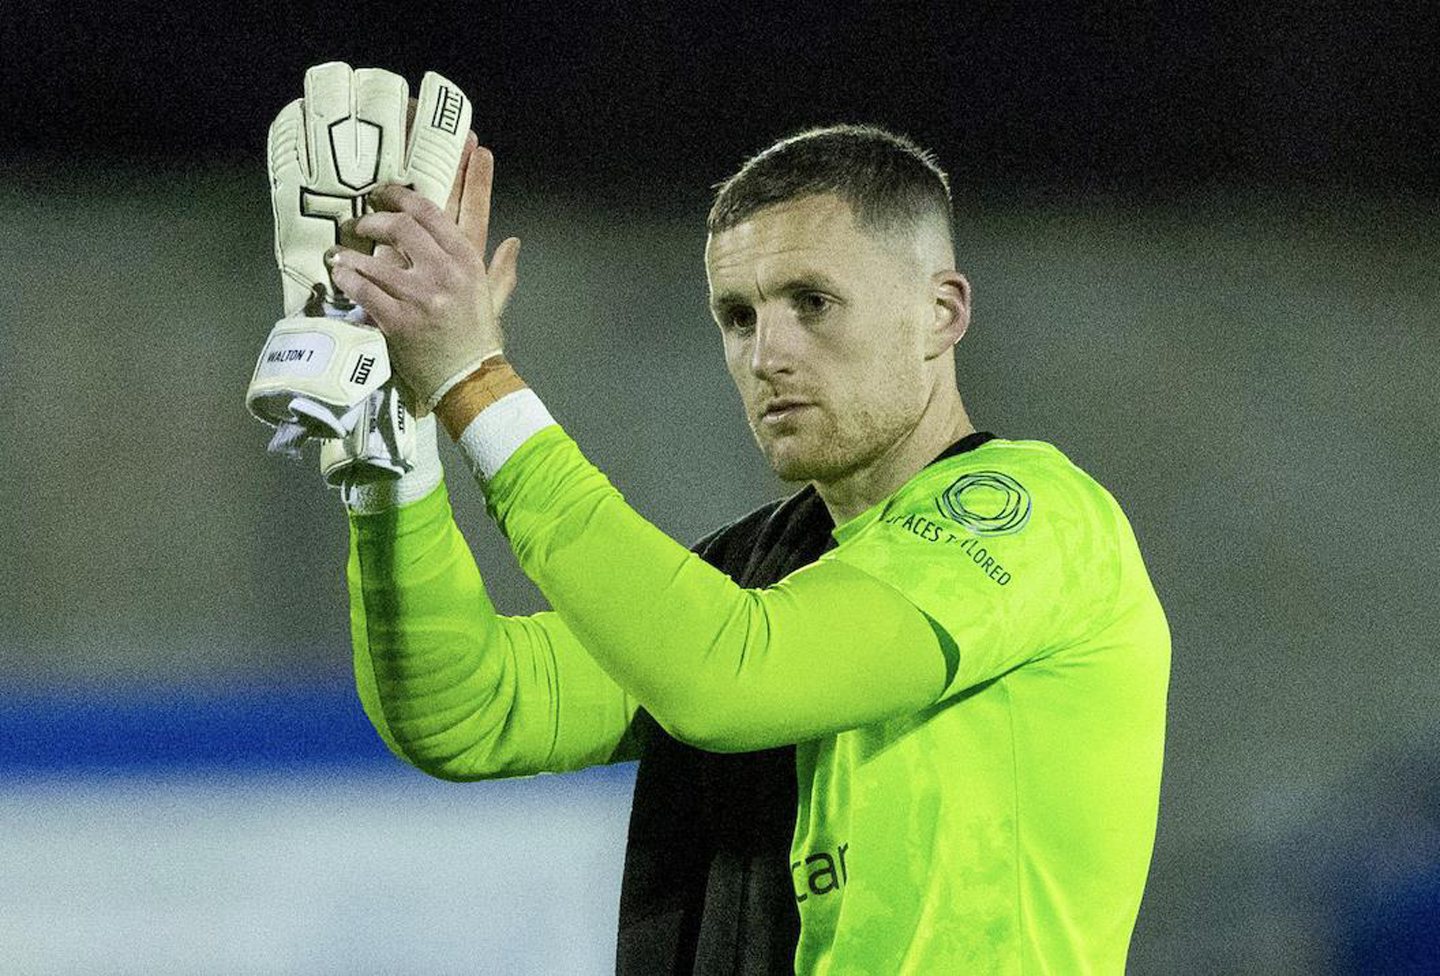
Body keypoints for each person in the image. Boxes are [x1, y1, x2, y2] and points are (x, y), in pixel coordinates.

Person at [323, 124, 1171, 974]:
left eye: (812, 302)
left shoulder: (1033, 519)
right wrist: (390, 439)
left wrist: (474, 381)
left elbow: (729, 678)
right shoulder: (758, 581)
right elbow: (468, 709)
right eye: (738, 316)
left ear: (940, 313)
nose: (767, 354)